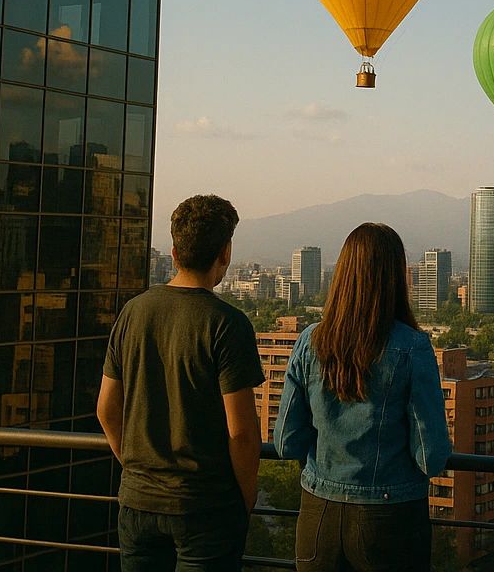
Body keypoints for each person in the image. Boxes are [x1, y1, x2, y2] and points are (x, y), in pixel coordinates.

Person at [98, 195, 265, 572]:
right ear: (224, 253)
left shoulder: (133, 312)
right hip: (205, 507)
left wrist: (136, 467)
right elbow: (241, 433)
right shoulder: (227, 324)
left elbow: (107, 409)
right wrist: (246, 496)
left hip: (138, 503)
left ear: (173, 252)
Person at [275, 223, 452, 572]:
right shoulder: (412, 347)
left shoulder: (310, 341)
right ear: (395, 278)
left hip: (318, 516)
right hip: (391, 519)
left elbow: (286, 443)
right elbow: (431, 457)